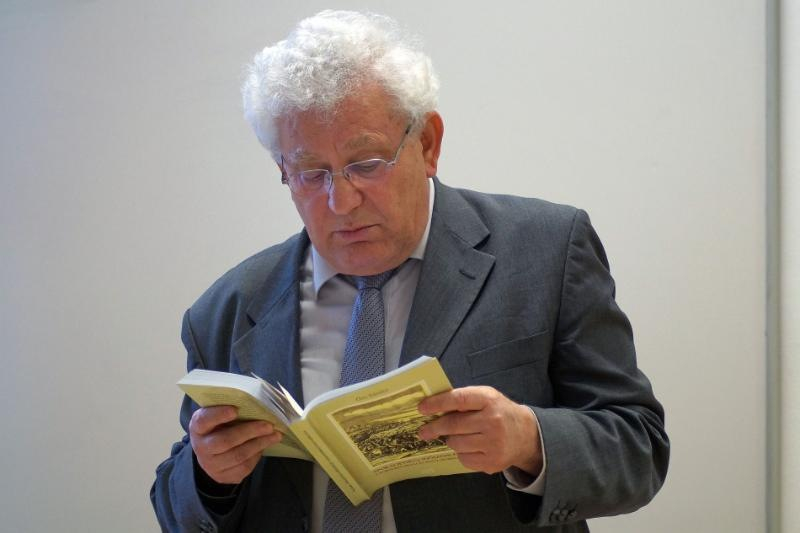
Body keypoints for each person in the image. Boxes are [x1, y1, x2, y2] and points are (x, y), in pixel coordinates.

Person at [151, 10, 669, 533]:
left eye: (366, 164)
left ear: (427, 143)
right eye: (310, 173)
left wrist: (528, 440)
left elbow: (639, 448)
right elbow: (174, 504)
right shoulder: (227, 309)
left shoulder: (546, 251)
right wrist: (209, 476)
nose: (341, 201)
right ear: (283, 170)